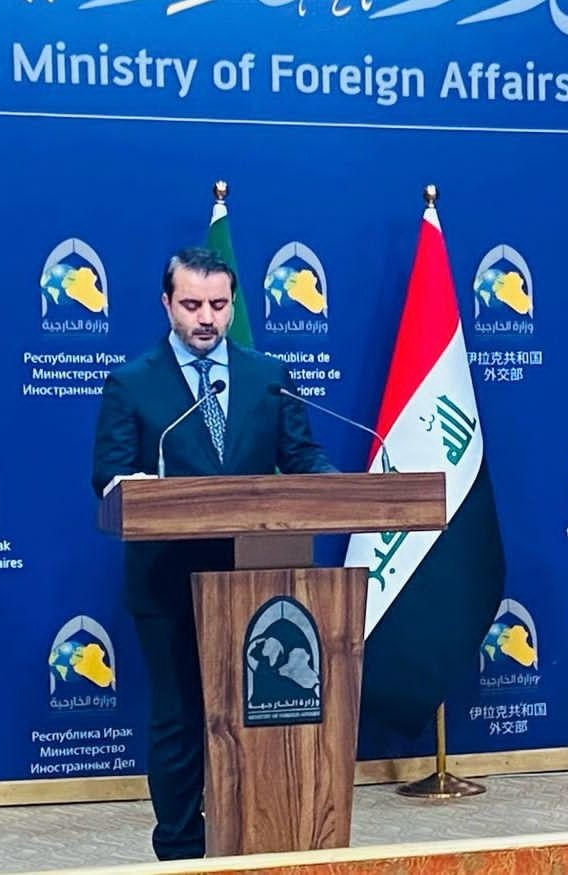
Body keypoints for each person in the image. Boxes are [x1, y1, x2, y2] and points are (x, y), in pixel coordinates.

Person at [91, 247, 335, 860]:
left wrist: (341, 488)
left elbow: (302, 456)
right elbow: (109, 475)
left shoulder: (268, 375)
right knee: (180, 719)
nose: (207, 318)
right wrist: (132, 487)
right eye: (192, 304)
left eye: (219, 305)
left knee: (259, 714)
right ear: (166, 304)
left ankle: (262, 834)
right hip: (167, 581)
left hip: (259, 581)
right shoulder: (132, 382)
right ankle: (179, 849)